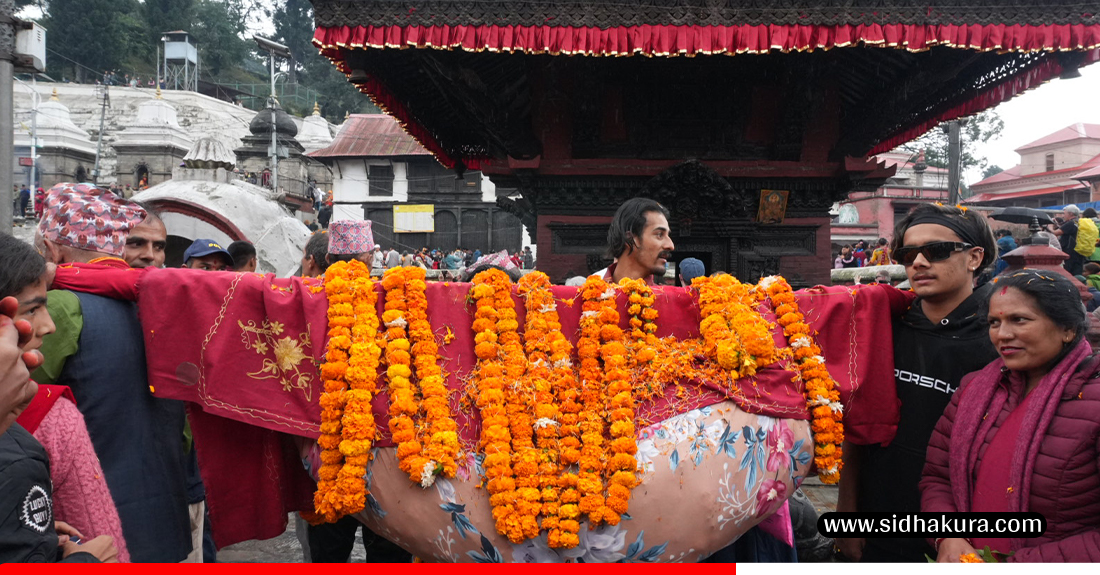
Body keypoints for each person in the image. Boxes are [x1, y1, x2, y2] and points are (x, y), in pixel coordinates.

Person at [31, 183, 196, 563]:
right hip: (166, 517)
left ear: (52, 250)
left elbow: (22, 416)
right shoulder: (165, 309)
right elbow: (184, 430)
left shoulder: (57, 306)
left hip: (91, 531)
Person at [836, 203, 999, 563]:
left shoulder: (1001, 337)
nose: (919, 263)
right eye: (908, 254)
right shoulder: (883, 329)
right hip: (877, 514)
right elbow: (859, 431)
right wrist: (847, 513)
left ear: (975, 257)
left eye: (937, 251)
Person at [921, 269, 1100, 562]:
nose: (1002, 335)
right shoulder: (974, 389)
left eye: (1019, 320)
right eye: (994, 322)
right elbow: (937, 478)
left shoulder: (1092, 401)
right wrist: (948, 538)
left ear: (1067, 328)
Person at [0, 296, 118, 564]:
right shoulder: (22, 454)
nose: (49, 326)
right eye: (31, 309)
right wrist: (87, 560)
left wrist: (24, 531)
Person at [595, 197, 675, 284]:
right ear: (630, 238)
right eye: (659, 234)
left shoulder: (664, 297)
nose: (671, 245)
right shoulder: (586, 295)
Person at [1051, 204, 1085, 275]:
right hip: (1079, 252)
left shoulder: (1071, 223)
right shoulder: (1079, 222)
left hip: (1069, 253)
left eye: (1064, 213)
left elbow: (1055, 233)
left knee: (1068, 274)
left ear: (1071, 213)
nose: (1063, 216)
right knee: (1077, 274)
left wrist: (1049, 226)